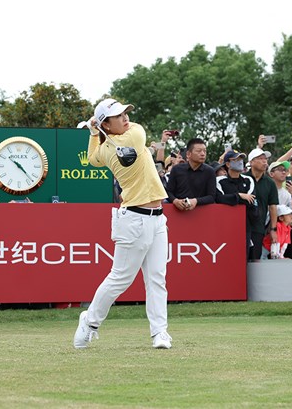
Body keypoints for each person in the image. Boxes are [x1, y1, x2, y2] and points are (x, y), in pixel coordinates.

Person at [73, 98, 171, 349]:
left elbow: (93, 157)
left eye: (126, 113)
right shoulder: (136, 135)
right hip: (134, 218)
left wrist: (95, 132)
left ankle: (160, 333)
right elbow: (99, 153)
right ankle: (90, 321)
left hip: (158, 218)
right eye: (119, 116)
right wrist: (98, 129)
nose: (126, 118)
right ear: (108, 122)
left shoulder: (106, 150)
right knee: (121, 278)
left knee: (156, 278)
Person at [215, 150, 258, 258]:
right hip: (224, 227)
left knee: (243, 260)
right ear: (228, 164)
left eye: (241, 159)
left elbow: (251, 202)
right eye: (236, 160)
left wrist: (232, 199)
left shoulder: (248, 180)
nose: (240, 162)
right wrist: (239, 196)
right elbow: (219, 199)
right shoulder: (219, 181)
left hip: (245, 227)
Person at [244, 148, 278, 260]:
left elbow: (273, 207)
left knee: (254, 260)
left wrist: (273, 230)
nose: (265, 161)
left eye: (265, 159)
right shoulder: (243, 179)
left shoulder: (270, 183)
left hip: (258, 228)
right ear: (251, 162)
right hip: (241, 227)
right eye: (260, 158)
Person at [166, 138, 216, 211]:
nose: (203, 154)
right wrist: (175, 201)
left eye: (205, 151)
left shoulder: (210, 171)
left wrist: (196, 201)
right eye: (199, 151)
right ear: (188, 154)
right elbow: (169, 192)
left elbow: (211, 197)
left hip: (202, 212)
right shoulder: (176, 169)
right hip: (177, 212)